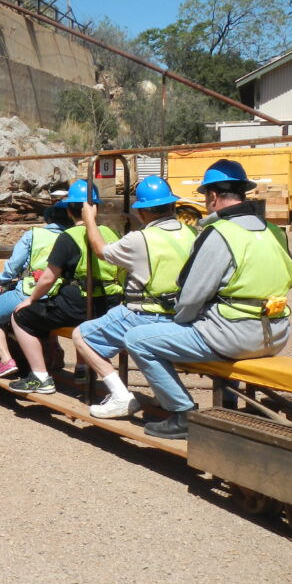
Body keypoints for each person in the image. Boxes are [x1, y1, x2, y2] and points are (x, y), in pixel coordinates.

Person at [122, 159, 292, 440]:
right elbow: (290, 278)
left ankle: (182, 414)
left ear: (213, 196)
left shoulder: (220, 233)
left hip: (234, 337)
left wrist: (180, 321)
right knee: (213, 325)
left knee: (138, 339)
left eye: (206, 196)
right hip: (277, 333)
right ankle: (228, 405)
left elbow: (191, 296)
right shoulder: (274, 232)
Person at [70, 176, 196, 418]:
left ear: (143, 212)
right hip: (182, 315)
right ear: (172, 206)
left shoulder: (140, 239)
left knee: (82, 336)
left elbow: (100, 250)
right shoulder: (191, 233)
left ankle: (120, 396)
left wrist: (89, 221)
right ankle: (162, 395)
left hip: (144, 313)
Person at [8, 180, 124, 394]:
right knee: (82, 322)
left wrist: (30, 300)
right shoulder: (111, 233)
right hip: (109, 302)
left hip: (78, 304)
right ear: (94, 208)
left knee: (21, 317)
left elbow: (48, 278)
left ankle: (41, 377)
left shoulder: (69, 237)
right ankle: (81, 368)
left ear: (70, 210)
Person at [0, 203, 68, 378]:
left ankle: (6, 361)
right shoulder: (73, 237)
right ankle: (54, 350)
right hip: (61, 295)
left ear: (49, 218)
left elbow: (13, 266)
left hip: (30, 291)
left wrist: (2, 282)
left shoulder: (34, 235)